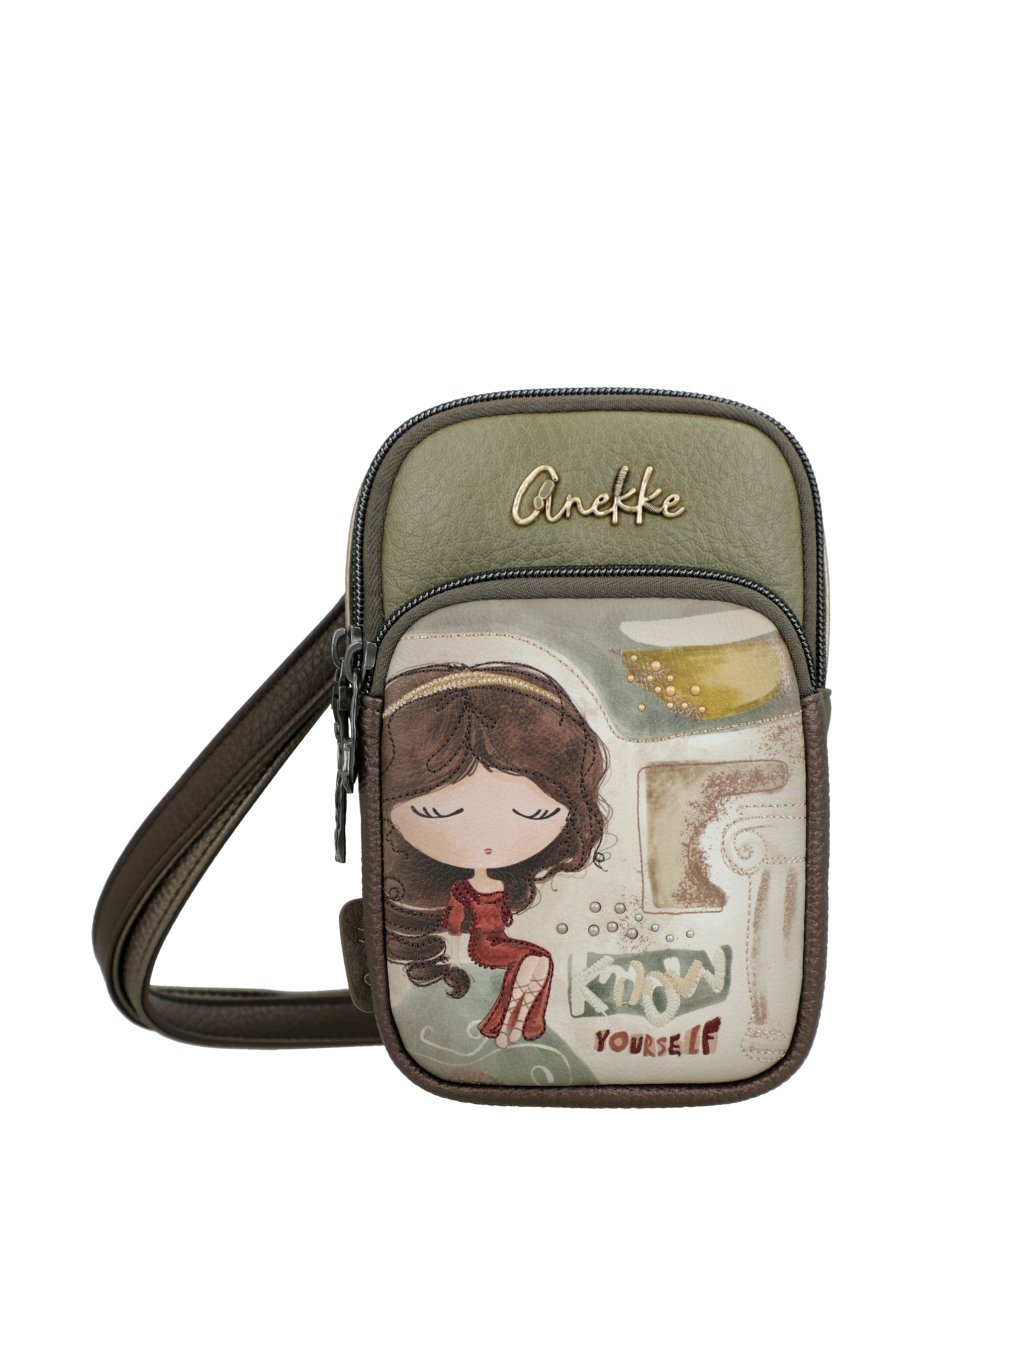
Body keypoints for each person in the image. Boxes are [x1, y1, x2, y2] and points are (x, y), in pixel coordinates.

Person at [382, 662, 608, 1048]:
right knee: (536, 960)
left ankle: (510, 1026)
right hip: (483, 947)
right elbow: (456, 923)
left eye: (536, 813)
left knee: (537, 962)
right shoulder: (463, 890)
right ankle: (511, 1027)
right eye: (437, 811)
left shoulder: (496, 885)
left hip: (496, 943)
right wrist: (454, 955)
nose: (488, 838)